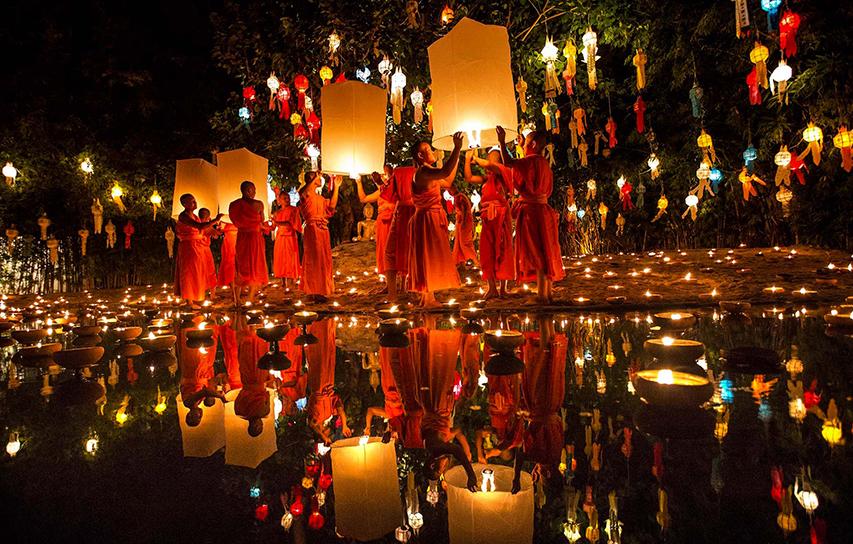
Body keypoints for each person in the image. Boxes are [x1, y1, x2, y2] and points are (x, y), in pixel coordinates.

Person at [496, 126, 565, 303]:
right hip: (544, 211)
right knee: (546, 250)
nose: (523, 145)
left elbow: (508, 162)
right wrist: (520, 146)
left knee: (536, 252)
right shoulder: (543, 163)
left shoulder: (530, 162)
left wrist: (502, 141)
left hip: (532, 214)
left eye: (526, 143)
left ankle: (541, 296)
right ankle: (547, 292)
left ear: (533, 144)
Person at [408, 133, 464, 308]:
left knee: (430, 255)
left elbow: (447, 180)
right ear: (420, 155)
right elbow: (445, 171)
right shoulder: (423, 171)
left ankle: (427, 297)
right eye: (428, 149)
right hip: (426, 219)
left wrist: (458, 154)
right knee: (428, 255)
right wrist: (456, 147)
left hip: (429, 217)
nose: (432, 151)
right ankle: (428, 298)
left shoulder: (428, 172)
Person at [512, 316, 567, 494]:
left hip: (553, 401)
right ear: (549, 475)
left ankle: (548, 322)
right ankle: (543, 321)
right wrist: (516, 478)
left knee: (549, 362)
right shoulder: (542, 457)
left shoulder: (556, 455)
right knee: (538, 364)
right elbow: (520, 454)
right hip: (540, 403)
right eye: (542, 479)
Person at [464, 149, 515, 298]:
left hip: (501, 216)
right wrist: (467, 159)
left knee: (503, 248)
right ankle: (492, 287)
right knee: (487, 250)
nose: (489, 161)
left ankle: (503, 288)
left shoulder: (503, 172)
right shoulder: (486, 179)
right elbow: (468, 177)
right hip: (487, 218)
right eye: (489, 158)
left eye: (493, 159)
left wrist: (477, 158)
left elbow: (490, 166)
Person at [305, 318, 351, 442]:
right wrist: (345, 424)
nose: (328, 432)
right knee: (328, 354)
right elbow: (339, 405)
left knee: (319, 355)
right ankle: (327, 324)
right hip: (328, 384)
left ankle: (315, 325)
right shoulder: (329, 415)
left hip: (318, 386)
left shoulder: (313, 420)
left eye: (327, 433)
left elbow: (312, 425)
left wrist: (322, 437)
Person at [174, 193, 223, 307]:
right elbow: (199, 227)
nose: (195, 203)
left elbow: (203, 229)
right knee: (188, 272)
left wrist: (214, 231)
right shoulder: (184, 216)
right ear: (185, 204)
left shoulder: (195, 216)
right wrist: (215, 220)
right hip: (188, 247)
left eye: (195, 201)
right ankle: (189, 301)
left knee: (197, 272)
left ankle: (196, 296)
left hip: (197, 246)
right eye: (192, 201)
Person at [299, 172, 339, 301]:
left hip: (323, 229)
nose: (321, 179)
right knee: (313, 258)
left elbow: (332, 206)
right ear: (312, 179)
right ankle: (312, 291)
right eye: (318, 177)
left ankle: (321, 290)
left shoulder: (320, 198)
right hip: (312, 229)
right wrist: (316, 175)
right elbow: (305, 192)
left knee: (323, 258)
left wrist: (337, 187)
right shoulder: (305, 194)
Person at [228, 181, 269, 305]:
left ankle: (238, 298)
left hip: (243, 237)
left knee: (241, 265)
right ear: (248, 190)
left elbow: (234, 220)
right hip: (254, 237)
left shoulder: (234, 205)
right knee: (254, 266)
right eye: (254, 190)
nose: (255, 192)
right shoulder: (258, 204)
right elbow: (262, 220)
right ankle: (250, 297)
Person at [179, 318, 224, 426]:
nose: (200, 415)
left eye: (196, 417)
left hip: (193, 371)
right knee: (208, 346)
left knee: (195, 350)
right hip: (205, 372)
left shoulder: (188, 402)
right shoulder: (199, 401)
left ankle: (194, 319)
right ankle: (209, 319)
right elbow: (208, 388)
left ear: (189, 415)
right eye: (200, 418)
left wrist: (220, 396)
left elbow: (205, 391)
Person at [355, 167, 395, 288]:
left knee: (393, 251)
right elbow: (364, 199)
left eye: (385, 174)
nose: (382, 177)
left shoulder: (394, 188)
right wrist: (358, 182)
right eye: (381, 174)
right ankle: (389, 285)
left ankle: (400, 284)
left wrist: (388, 206)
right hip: (382, 224)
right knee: (383, 251)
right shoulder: (380, 191)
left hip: (393, 222)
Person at [383, 163, 417, 302]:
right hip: (417, 211)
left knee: (390, 252)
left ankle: (392, 294)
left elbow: (388, 195)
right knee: (415, 252)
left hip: (403, 212)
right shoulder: (422, 172)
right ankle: (416, 290)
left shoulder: (398, 173)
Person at [234, 313, 272, 437]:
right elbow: (267, 394)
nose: (257, 424)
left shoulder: (240, 411)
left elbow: (239, 395)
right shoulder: (265, 411)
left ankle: (242, 318)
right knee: (261, 350)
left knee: (246, 351)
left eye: (255, 427)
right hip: (261, 379)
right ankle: (259, 323)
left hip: (248, 380)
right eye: (260, 427)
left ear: (250, 426)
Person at [272, 190, 302, 290]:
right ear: (279, 201)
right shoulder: (277, 213)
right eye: (284, 198)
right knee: (281, 259)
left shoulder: (294, 210)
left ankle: (293, 279)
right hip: (280, 238)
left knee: (291, 258)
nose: (287, 199)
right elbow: (273, 227)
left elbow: (291, 223)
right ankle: (283, 281)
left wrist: (277, 223)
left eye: (288, 197)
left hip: (290, 237)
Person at [450, 187, 479, 268]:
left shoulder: (460, 197)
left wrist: (463, 222)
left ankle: (473, 260)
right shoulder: (456, 197)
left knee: (465, 242)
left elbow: (464, 211)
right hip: (460, 221)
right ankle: (460, 262)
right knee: (458, 241)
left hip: (465, 221)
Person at [197, 208, 221, 298]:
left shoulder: (197, 224)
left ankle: (200, 293)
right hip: (205, 250)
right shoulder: (205, 225)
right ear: (208, 216)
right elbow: (216, 235)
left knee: (200, 272)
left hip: (197, 250)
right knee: (210, 271)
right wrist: (218, 228)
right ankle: (212, 295)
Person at [217, 221, 238, 291]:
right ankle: (233, 289)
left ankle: (239, 288)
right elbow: (219, 231)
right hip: (229, 243)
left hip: (238, 240)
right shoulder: (224, 219)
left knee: (237, 265)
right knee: (229, 265)